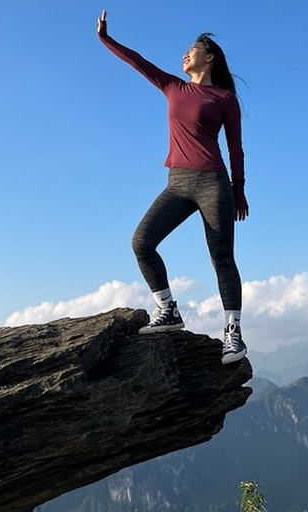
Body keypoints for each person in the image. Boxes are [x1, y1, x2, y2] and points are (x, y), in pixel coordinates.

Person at [97, 10, 249, 364]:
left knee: (221, 257)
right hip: (177, 183)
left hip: (214, 183)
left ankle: (233, 333)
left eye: (192, 49)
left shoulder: (225, 99)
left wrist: (239, 190)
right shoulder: (173, 86)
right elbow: (138, 62)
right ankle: (168, 309)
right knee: (142, 242)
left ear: (208, 57)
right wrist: (106, 38)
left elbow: (236, 147)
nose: (185, 54)